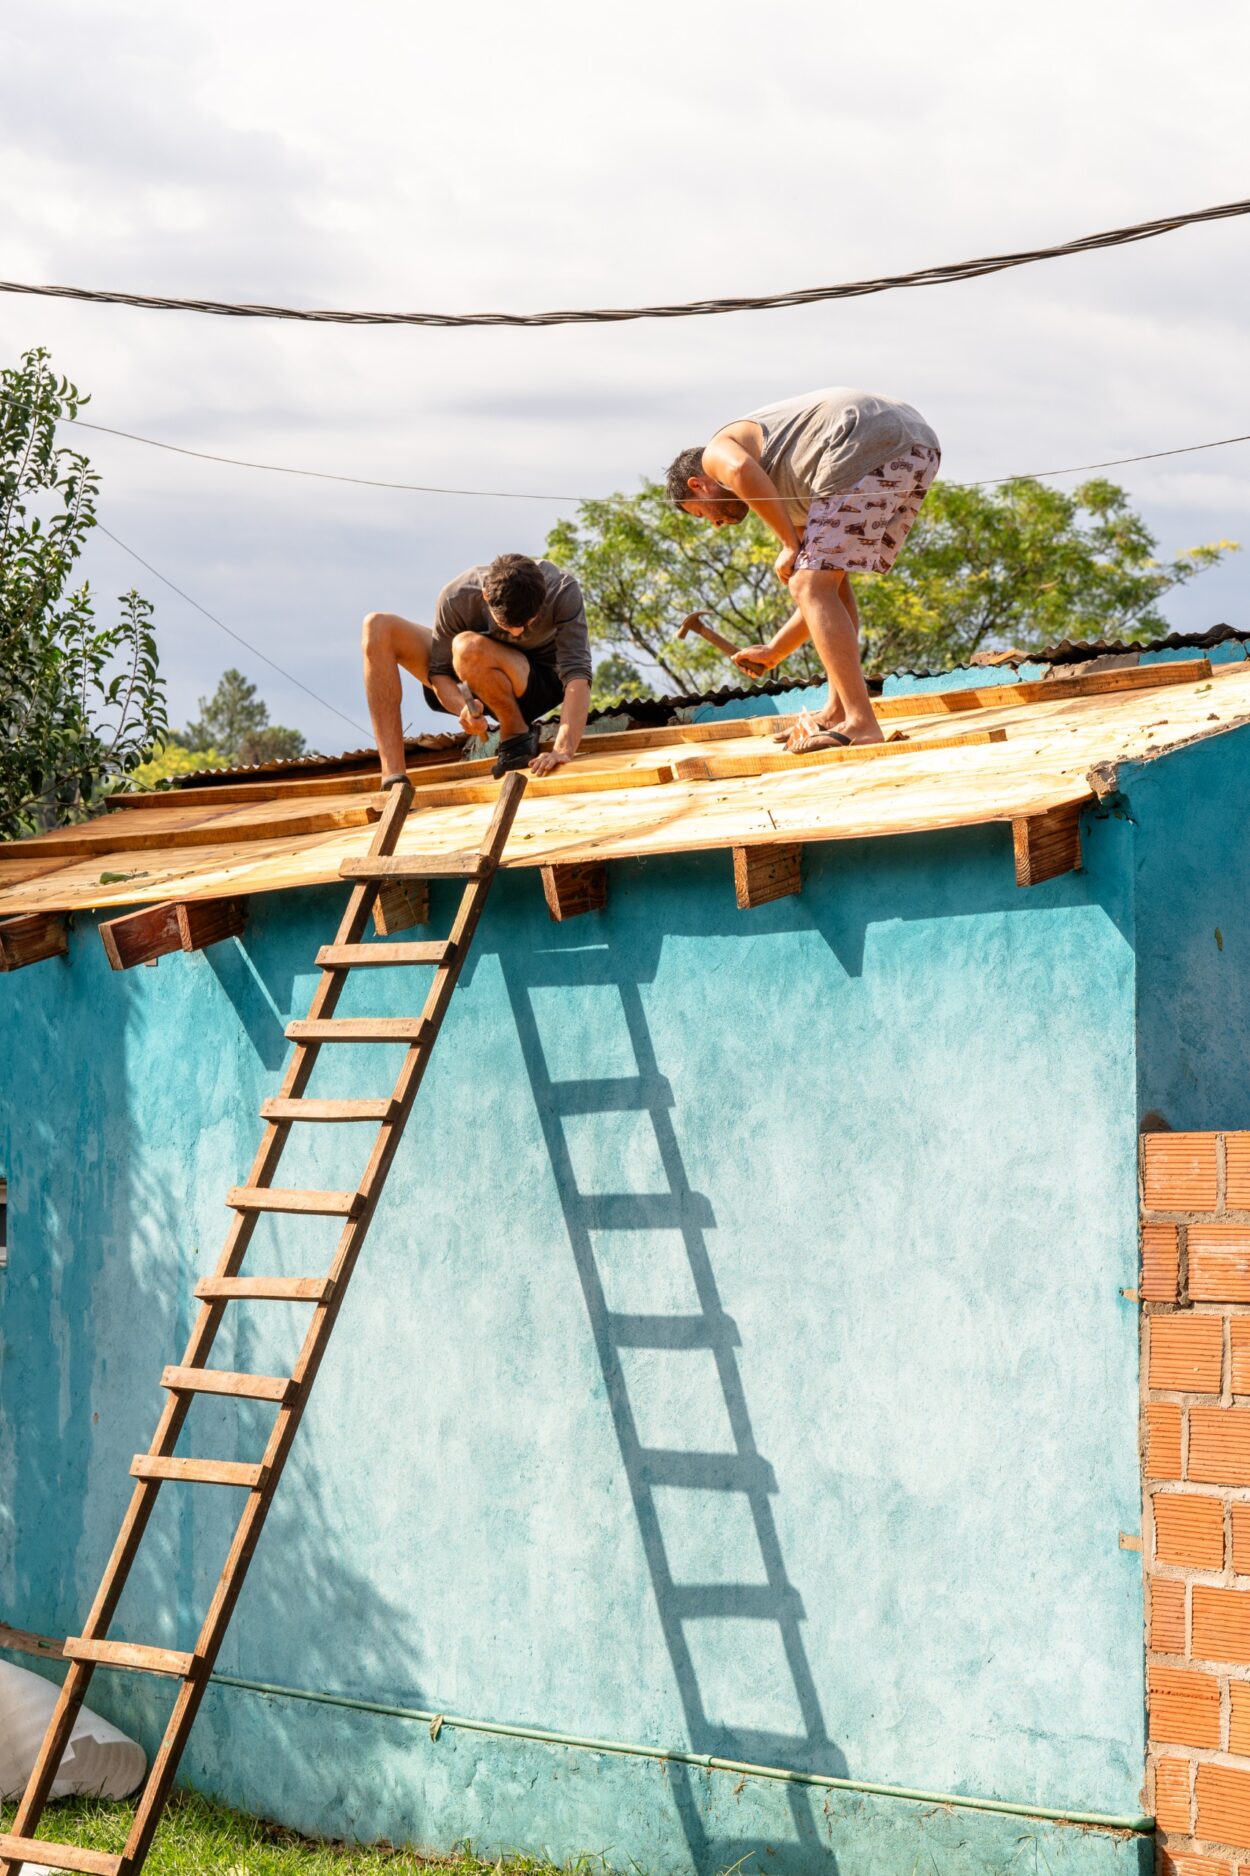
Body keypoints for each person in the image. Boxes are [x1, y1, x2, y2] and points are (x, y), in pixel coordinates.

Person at [666, 387, 940, 748]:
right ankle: (838, 709)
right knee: (821, 583)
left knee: (810, 584)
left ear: (698, 484)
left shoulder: (716, 453)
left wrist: (787, 544)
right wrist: (776, 650)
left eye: (702, 514)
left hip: (862, 437)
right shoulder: (795, 492)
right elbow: (830, 592)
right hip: (915, 447)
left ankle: (861, 722)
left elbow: (740, 468)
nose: (715, 524)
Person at [361, 553, 593, 781]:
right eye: (507, 624)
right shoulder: (456, 597)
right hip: (475, 682)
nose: (518, 632)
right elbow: (439, 673)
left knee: (467, 648)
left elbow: (577, 674)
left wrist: (563, 749)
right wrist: (463, 708)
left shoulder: (562, 590)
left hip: (537, 684)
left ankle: (515, 733)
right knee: (378, 627)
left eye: (527, 623)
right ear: (485, 595)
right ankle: (393, 779)